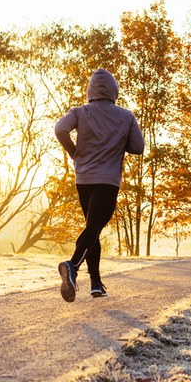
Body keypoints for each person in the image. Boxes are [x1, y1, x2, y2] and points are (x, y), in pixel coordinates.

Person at [54, 68, 144, 302]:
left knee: (92, 229)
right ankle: (72, 266)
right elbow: (138, 147)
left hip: (83, 179)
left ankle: (96, 282)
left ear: (90, 90)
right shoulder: (126, 116)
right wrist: (117, 140)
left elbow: (60, 129)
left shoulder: (80, 112)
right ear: (114, 91)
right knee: (93, 228)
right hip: (108, 180)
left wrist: (74, 152)